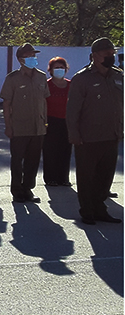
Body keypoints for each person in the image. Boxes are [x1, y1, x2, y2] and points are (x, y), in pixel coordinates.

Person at [66, 37, 123, 225]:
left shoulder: (118, 76)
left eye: (112, 53)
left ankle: (100, 209)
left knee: (105, 176)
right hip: (88, 137)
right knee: (87, 176)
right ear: (95, 56)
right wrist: (73, 134)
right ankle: (87, 211)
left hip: (111, 135)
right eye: (107, 54)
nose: (111, 57)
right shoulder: (82, 79)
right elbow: (72, 110)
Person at [0, 43, 49, 203]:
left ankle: (28, 189)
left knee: (33, 160)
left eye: (34, 55)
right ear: (21, 60)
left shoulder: (41, 76)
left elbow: (44, 101)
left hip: (37, 127)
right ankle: (17, 190)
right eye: (29, 56)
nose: (33, 59)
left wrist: (45, 122)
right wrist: (8, 126)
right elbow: (6, 104)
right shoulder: (12, 78)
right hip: (19, 127)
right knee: (17, 160)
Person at [43, 57, 72, 187]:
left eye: (62, 67)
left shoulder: (71, 85)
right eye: (56, 67)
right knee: (50, 150)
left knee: (65, 150)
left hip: (67, 121)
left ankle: (63, 178)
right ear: (51, 70)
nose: (59, 70)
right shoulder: (47, 85)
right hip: (51, 121)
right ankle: (51, 178)